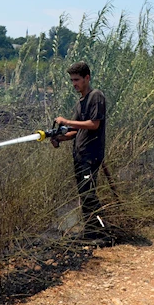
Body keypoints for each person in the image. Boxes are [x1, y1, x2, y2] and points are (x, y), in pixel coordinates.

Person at [50, 61, 108, 241]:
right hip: (80, 156)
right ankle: (91, 232)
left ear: (87, 78)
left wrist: (66, 121)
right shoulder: (80, 102)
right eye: (72, 80)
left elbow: (94, 124)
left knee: (89, 194)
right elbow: (76, 131)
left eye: (77, 80)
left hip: (91, 155)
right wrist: (59, 137)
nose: (74, 84)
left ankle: (104, 232)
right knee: (84, 194)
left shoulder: (95, 96)